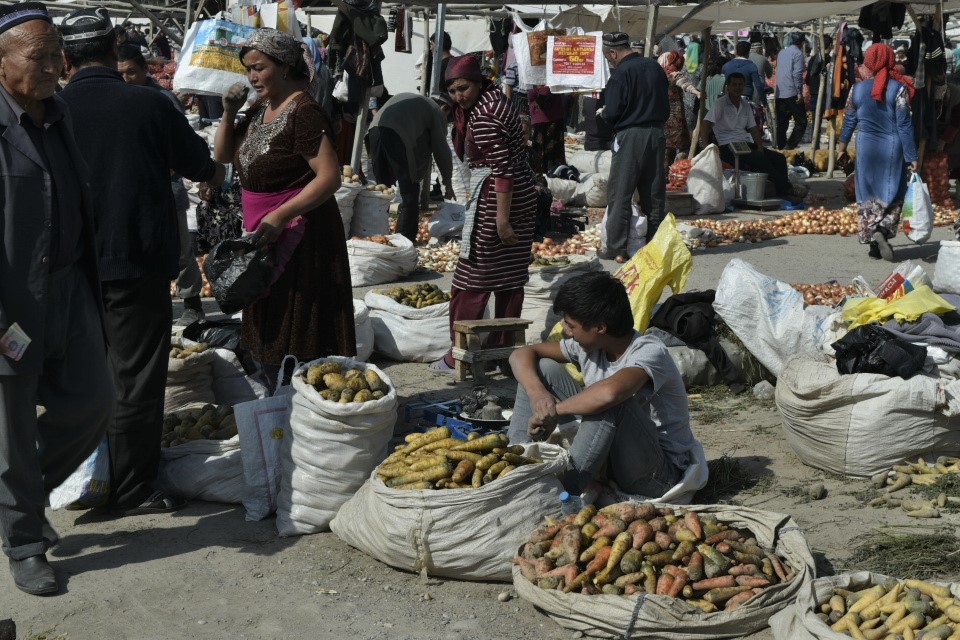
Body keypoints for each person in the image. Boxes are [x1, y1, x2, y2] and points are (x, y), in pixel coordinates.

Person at [59, 7, 225, 515]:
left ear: (64, 58)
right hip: (135, 262)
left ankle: (87, 476)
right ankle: (131, 488)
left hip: (68, 268)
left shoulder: (49, 110)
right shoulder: (149, 104)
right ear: (115, 48)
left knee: (83, 376)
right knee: (135, 379)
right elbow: (201, 166)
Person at [0, 1, 114, 596]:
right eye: (38, 56)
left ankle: (14, 498)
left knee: (95, 400)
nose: (52, 67)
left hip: (69, 287)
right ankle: (25, 542)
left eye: (56, 55)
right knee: (13, 427)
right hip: (11, 302)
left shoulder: (59, 113)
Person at [215, 29, 355, 383]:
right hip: (265, 232)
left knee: (298, 327)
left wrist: (280, 215)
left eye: (259, 68)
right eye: (248, 69)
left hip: (301, 236)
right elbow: (223, 155)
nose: (252, 77)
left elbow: (329, 177)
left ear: (286, 66)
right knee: (270, 321)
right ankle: (278, 396)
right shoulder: (260, 109)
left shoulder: (303, 112)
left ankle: (301, 394)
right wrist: (228, 113)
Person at [507, 272, 699, 498]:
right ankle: (512, 464)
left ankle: (564, 493)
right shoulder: (591, 346)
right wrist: (538, 395)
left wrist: (554, 410)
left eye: (571, 326)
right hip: (612, 460)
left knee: (610, 404)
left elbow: (609, 394)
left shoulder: (649, 351)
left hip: (656, 474)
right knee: (541, 368)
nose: (566, 331)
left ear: (600, 327)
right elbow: (521, 354)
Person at [430, 55, 536, 372]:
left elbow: (502, 171)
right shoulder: (494, 100)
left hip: (499, 197)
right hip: (519, 191)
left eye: (464, 88)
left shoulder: (485, 115)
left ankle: (460, 354)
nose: (458, 96)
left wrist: (501, 221)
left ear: (478, 82)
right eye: (453, 91)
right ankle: (503, 353)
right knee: (509, 276)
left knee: (471, 278)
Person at [116, 43, 205, 325]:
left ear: (145, 69)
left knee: (179, 250)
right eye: (120, 73)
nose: (126, 78)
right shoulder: (118, 99)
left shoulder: (163, 100)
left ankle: (192, 303)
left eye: (131, 72)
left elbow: (181, 146)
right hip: (131, 189)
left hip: (167, 187)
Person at [837, 43, 918, 261]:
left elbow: (849, 120)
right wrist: (912, 156)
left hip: (866, 148)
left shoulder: (857, 89)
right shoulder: (899, 89)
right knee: (894, 193)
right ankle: (882, 230)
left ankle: (874, 245)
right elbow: (904, 125)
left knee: (868, 195)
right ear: (891, 60)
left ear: (869, 62)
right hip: (892, 148)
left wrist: (841, 147)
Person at [597, 32, 669, 259]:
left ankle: (616, 248)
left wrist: (604, 114)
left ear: (613, 52)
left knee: (621, 192)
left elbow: (613, 111)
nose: (610, 62)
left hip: (631, 136)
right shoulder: (655, 67)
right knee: (654, 194)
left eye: (608, 58)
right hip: (657, 134)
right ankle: (655, 246)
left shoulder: (621, 73)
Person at [366, 92, 455, 242]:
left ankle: (374, 234)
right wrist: (448, 183)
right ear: (445, 107)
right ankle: (404, 240)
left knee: (381, 191)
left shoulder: (416, 102)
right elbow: (441, 151)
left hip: (373, 131)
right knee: (410, 194)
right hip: (396, 135)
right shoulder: (436, 110)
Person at [701, 73, 796, 202]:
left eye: (740, 85)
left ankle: (782, 191)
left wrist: (760, 146)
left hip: (745, 143)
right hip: (727, 146)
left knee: (779, 158)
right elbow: (706, 123)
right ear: (728, 86)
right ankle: (786, 190)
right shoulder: (720, 103)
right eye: (734, 84)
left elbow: (753, 128)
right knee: (759, 159)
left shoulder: (745, 105)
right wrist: (706, 146)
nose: (737, 88)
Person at [658, 51, 701, 168]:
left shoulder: (658, 74)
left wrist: (695, 91)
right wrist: (697, 92)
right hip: (674, 121)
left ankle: (665, 175)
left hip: (662, 118)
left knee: (664, 153)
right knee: (674, 151)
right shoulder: (673, 74)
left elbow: (684, 84)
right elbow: (684, 84)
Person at [775, 32, 808, 150]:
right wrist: (799, 92)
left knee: (782, 123)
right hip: (792, 91)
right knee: (802, 122)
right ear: (802, 43)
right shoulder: (798, 54)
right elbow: (797, 74)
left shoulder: (781, 52)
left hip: (780, 91)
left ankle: (781, 148)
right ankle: (789, 146)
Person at [526, 84, 566, 175]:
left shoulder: (547, 82)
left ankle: (549, 175)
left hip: (548, 119)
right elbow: (533, 95)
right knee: (545, 156)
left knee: (547, 157)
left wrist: (538, 88)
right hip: (544, 119)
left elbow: (543, 92)